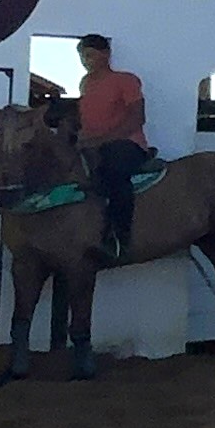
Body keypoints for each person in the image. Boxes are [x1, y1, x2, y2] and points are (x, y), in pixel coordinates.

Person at [74, 33, 151, 260]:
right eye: (82, 56)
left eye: (89, 55)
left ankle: (119, 237)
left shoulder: (126, 80)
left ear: (105, 54)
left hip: (127, 144)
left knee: (114, 173)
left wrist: (101, 140)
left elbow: (137, 118)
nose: (85, 61)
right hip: (92, 145)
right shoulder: (85, 83)